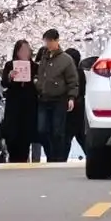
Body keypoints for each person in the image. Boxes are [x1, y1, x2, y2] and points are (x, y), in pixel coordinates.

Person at [34, 29, 78, 163]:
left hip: (59, 99)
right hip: (43, 98)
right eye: (46, 41)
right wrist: (37, 84)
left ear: (56, 41)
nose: (48, 44)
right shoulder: (44, 57)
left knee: (57, 131)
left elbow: (73, 80)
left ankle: (57, 157)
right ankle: (50, 153)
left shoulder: (66, 60)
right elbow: (39, 75)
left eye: (50, 41)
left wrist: (71, 97)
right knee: (41, 130)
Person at [0, 41, 39, 164]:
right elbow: (4, 83)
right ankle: (13, 157)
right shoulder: (10, 65)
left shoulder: (35, 67)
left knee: (26, 135)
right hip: (14, 104)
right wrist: (10, 77)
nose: (24, 53)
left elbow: (39, 86)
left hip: (29, 105)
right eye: (22, 50)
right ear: (16, 52)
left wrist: (36, 81)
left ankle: (24, 157)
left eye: (27, 50)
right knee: (12, 135)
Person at [65, 48, 87, 156]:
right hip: (80, 111)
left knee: (65, 142)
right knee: (83, 139)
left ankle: (60, 161)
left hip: (69, 111)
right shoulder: (81, 72)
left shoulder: (68, 73)